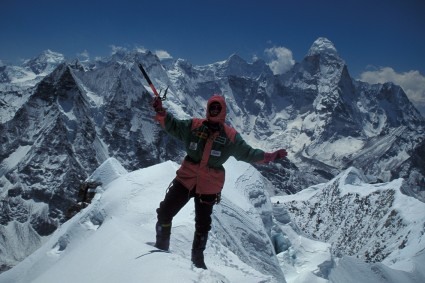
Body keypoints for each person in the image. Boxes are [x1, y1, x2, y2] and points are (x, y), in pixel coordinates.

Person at [151, 94, 287, 269]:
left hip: (208, 186)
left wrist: (270, 156)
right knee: (164, 212)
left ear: (222, 111)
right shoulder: (193, 126)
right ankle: (161, 249)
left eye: (217, 108)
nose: (214, 111)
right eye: (212, 107)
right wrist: (160, 111)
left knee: (202, 226)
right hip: (186, 179)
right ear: (208, 109)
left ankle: (197, 261)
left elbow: (248, 153)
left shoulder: (230, 137)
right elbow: (173, 125)